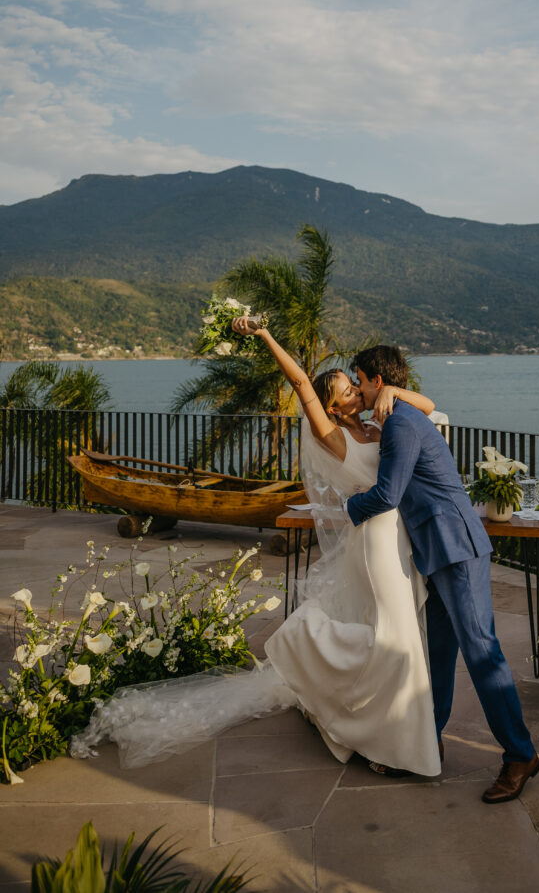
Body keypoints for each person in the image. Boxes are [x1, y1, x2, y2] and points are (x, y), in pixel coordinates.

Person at [71, 323, 442, 779]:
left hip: (393, 536)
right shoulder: (333, 435)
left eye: (355, 384)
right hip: (372, 541)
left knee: (399, 635)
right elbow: (302, 382)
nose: (355, 391)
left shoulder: (377, 424)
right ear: (330, 405)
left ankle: (381, 731)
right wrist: (265, 335)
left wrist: (394, 395)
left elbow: (429, 407)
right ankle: (368, 720)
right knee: (393, 637)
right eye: (347, 388)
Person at [345, 345, 539, 804]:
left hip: (455, 547)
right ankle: (424, 745)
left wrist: (345, 507)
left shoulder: (400, 423)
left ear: (377, 381)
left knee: (482, 654)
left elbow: (388, 494)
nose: (356, 388)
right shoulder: (398, 417)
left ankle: (520, 755)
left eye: (359, 380)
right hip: (439, 550)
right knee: (437, 655)